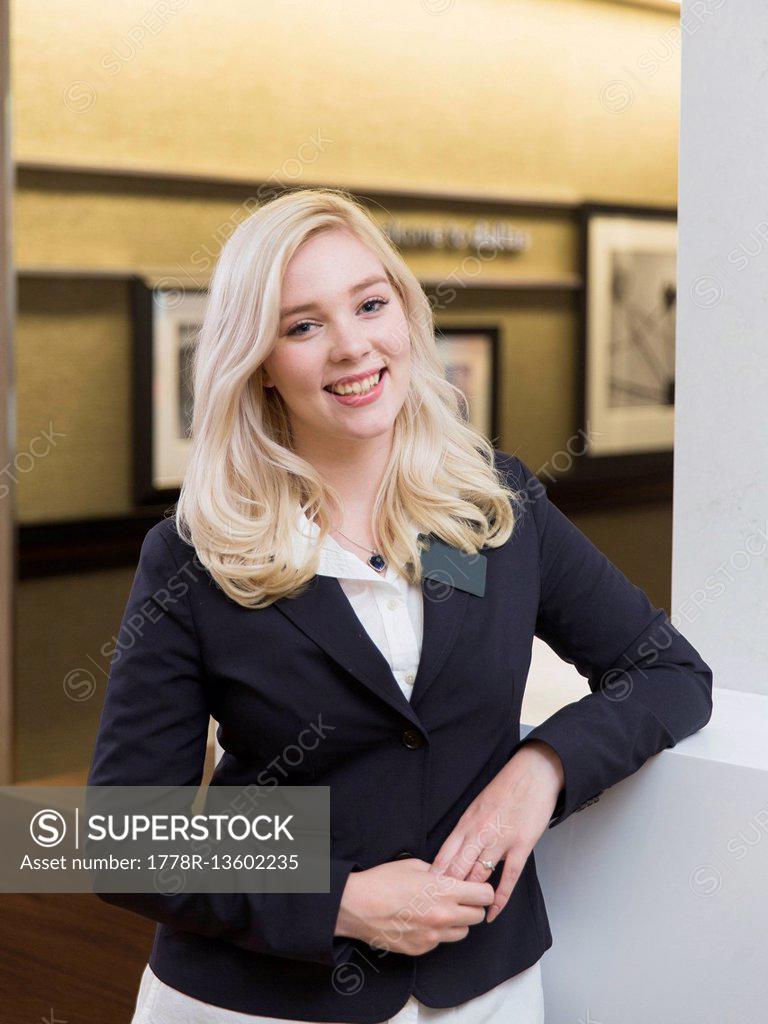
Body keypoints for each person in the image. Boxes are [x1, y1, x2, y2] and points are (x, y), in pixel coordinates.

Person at [87, 187, 714, 1024]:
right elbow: (126, 835)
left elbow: (669, 671)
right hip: (266, 1001)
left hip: (482, 993)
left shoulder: (495, 505)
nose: (353, 346)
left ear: (407, 315)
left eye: (370, 304)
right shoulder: (193, 554)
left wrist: (542, 768)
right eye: (302, 326)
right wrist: (339, 899)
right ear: (259, 360)